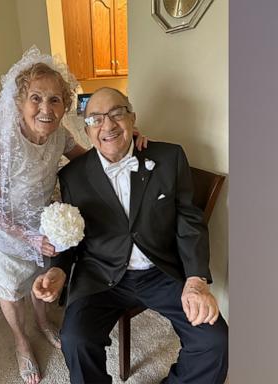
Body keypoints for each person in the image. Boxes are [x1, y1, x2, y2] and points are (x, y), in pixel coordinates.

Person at [0, 48, 147, 384]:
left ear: (65, 105)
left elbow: (88, 161)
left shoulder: (60, 134)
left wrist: (125, 142)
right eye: (36, 98)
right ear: (19, 101)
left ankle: (44, 322)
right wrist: (28, 236)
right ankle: (21, 342)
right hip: (0, 226)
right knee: (11, 288)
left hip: (39, 219)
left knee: (43, 276)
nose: (46, 109)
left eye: (55, 100)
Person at [33, 87, 229, 384]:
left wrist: (196, 278)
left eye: (117, 113)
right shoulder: (72, 175)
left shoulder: (168, 156)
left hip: (160, 271)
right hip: (100, 274)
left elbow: (189, 222)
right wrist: (59, 269)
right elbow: (69, 234)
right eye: (96, 119)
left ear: (132, 117)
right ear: (86, 131)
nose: (108, 125)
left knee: (214, 340)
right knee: (75, 338)